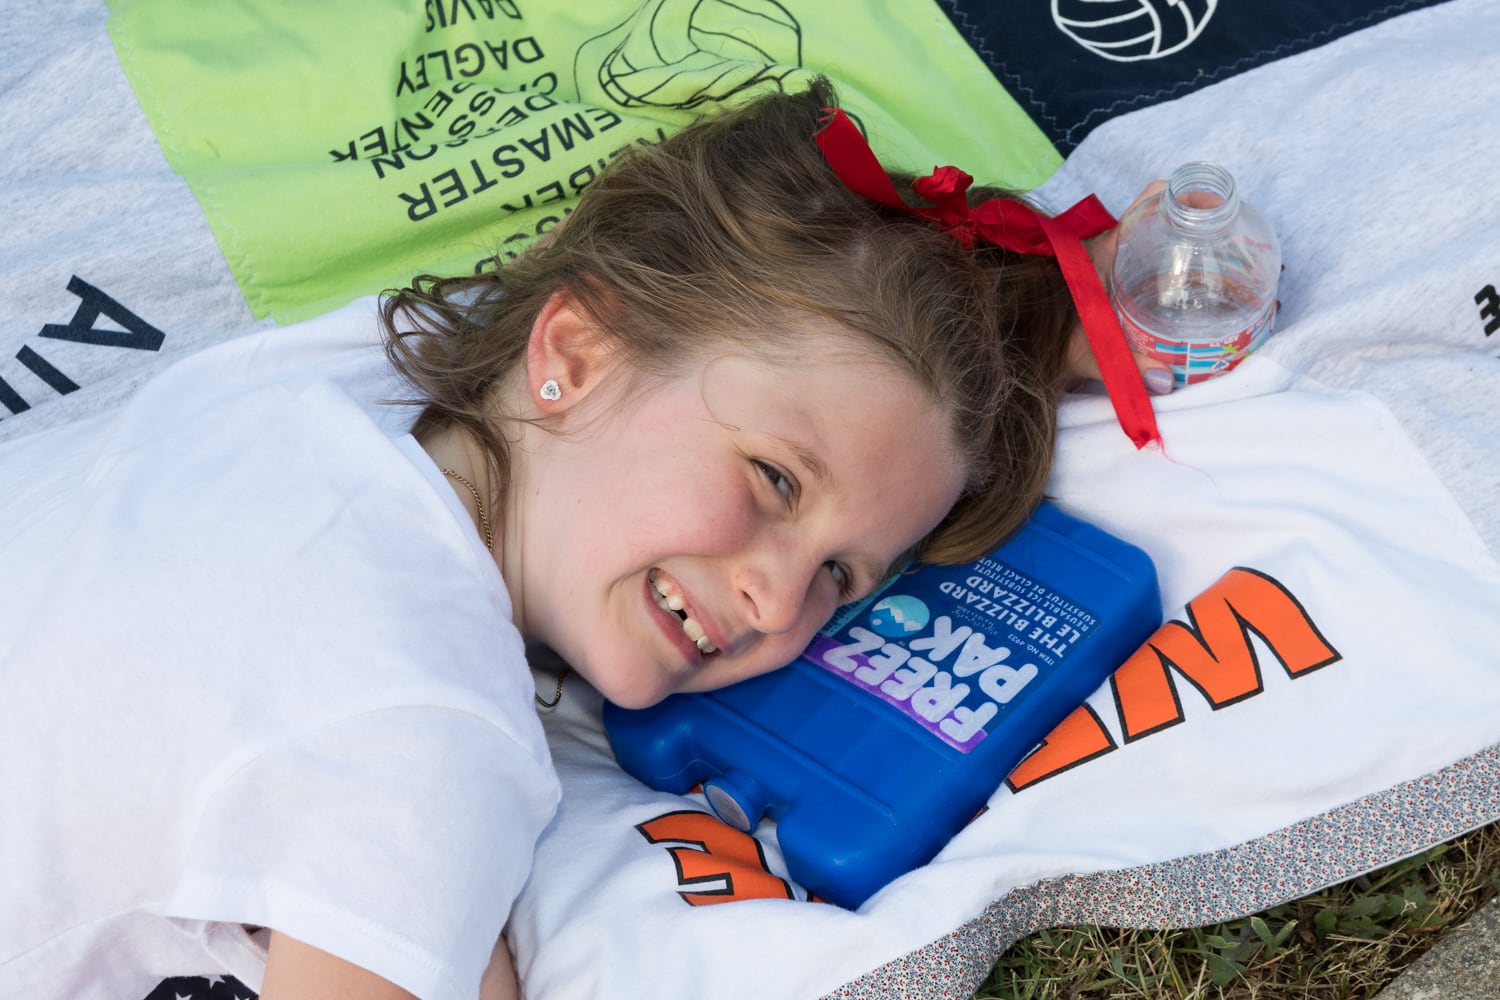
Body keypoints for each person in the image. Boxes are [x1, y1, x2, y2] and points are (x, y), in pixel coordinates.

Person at [0, 77, 1158, 1000]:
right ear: (577, 353)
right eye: (771, 479)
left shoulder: (324, 379)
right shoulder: (430, 736)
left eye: (840, 577)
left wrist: (1050, 318)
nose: (777, 603)